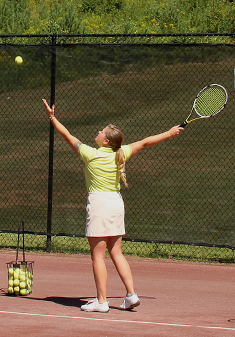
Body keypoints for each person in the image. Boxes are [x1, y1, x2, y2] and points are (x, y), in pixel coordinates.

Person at [42, 98, 184, 313]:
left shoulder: (90, 154)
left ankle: (101, 301)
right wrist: (170, 132)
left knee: (98, 255)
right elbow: (145, 142)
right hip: (116, 203)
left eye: (101, 132)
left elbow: (67, 135)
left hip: (99, 204)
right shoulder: (121, 153)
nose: (98, 132)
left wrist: (52, 117)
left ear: (106, 141)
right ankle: (131, 295)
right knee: (116, 252)